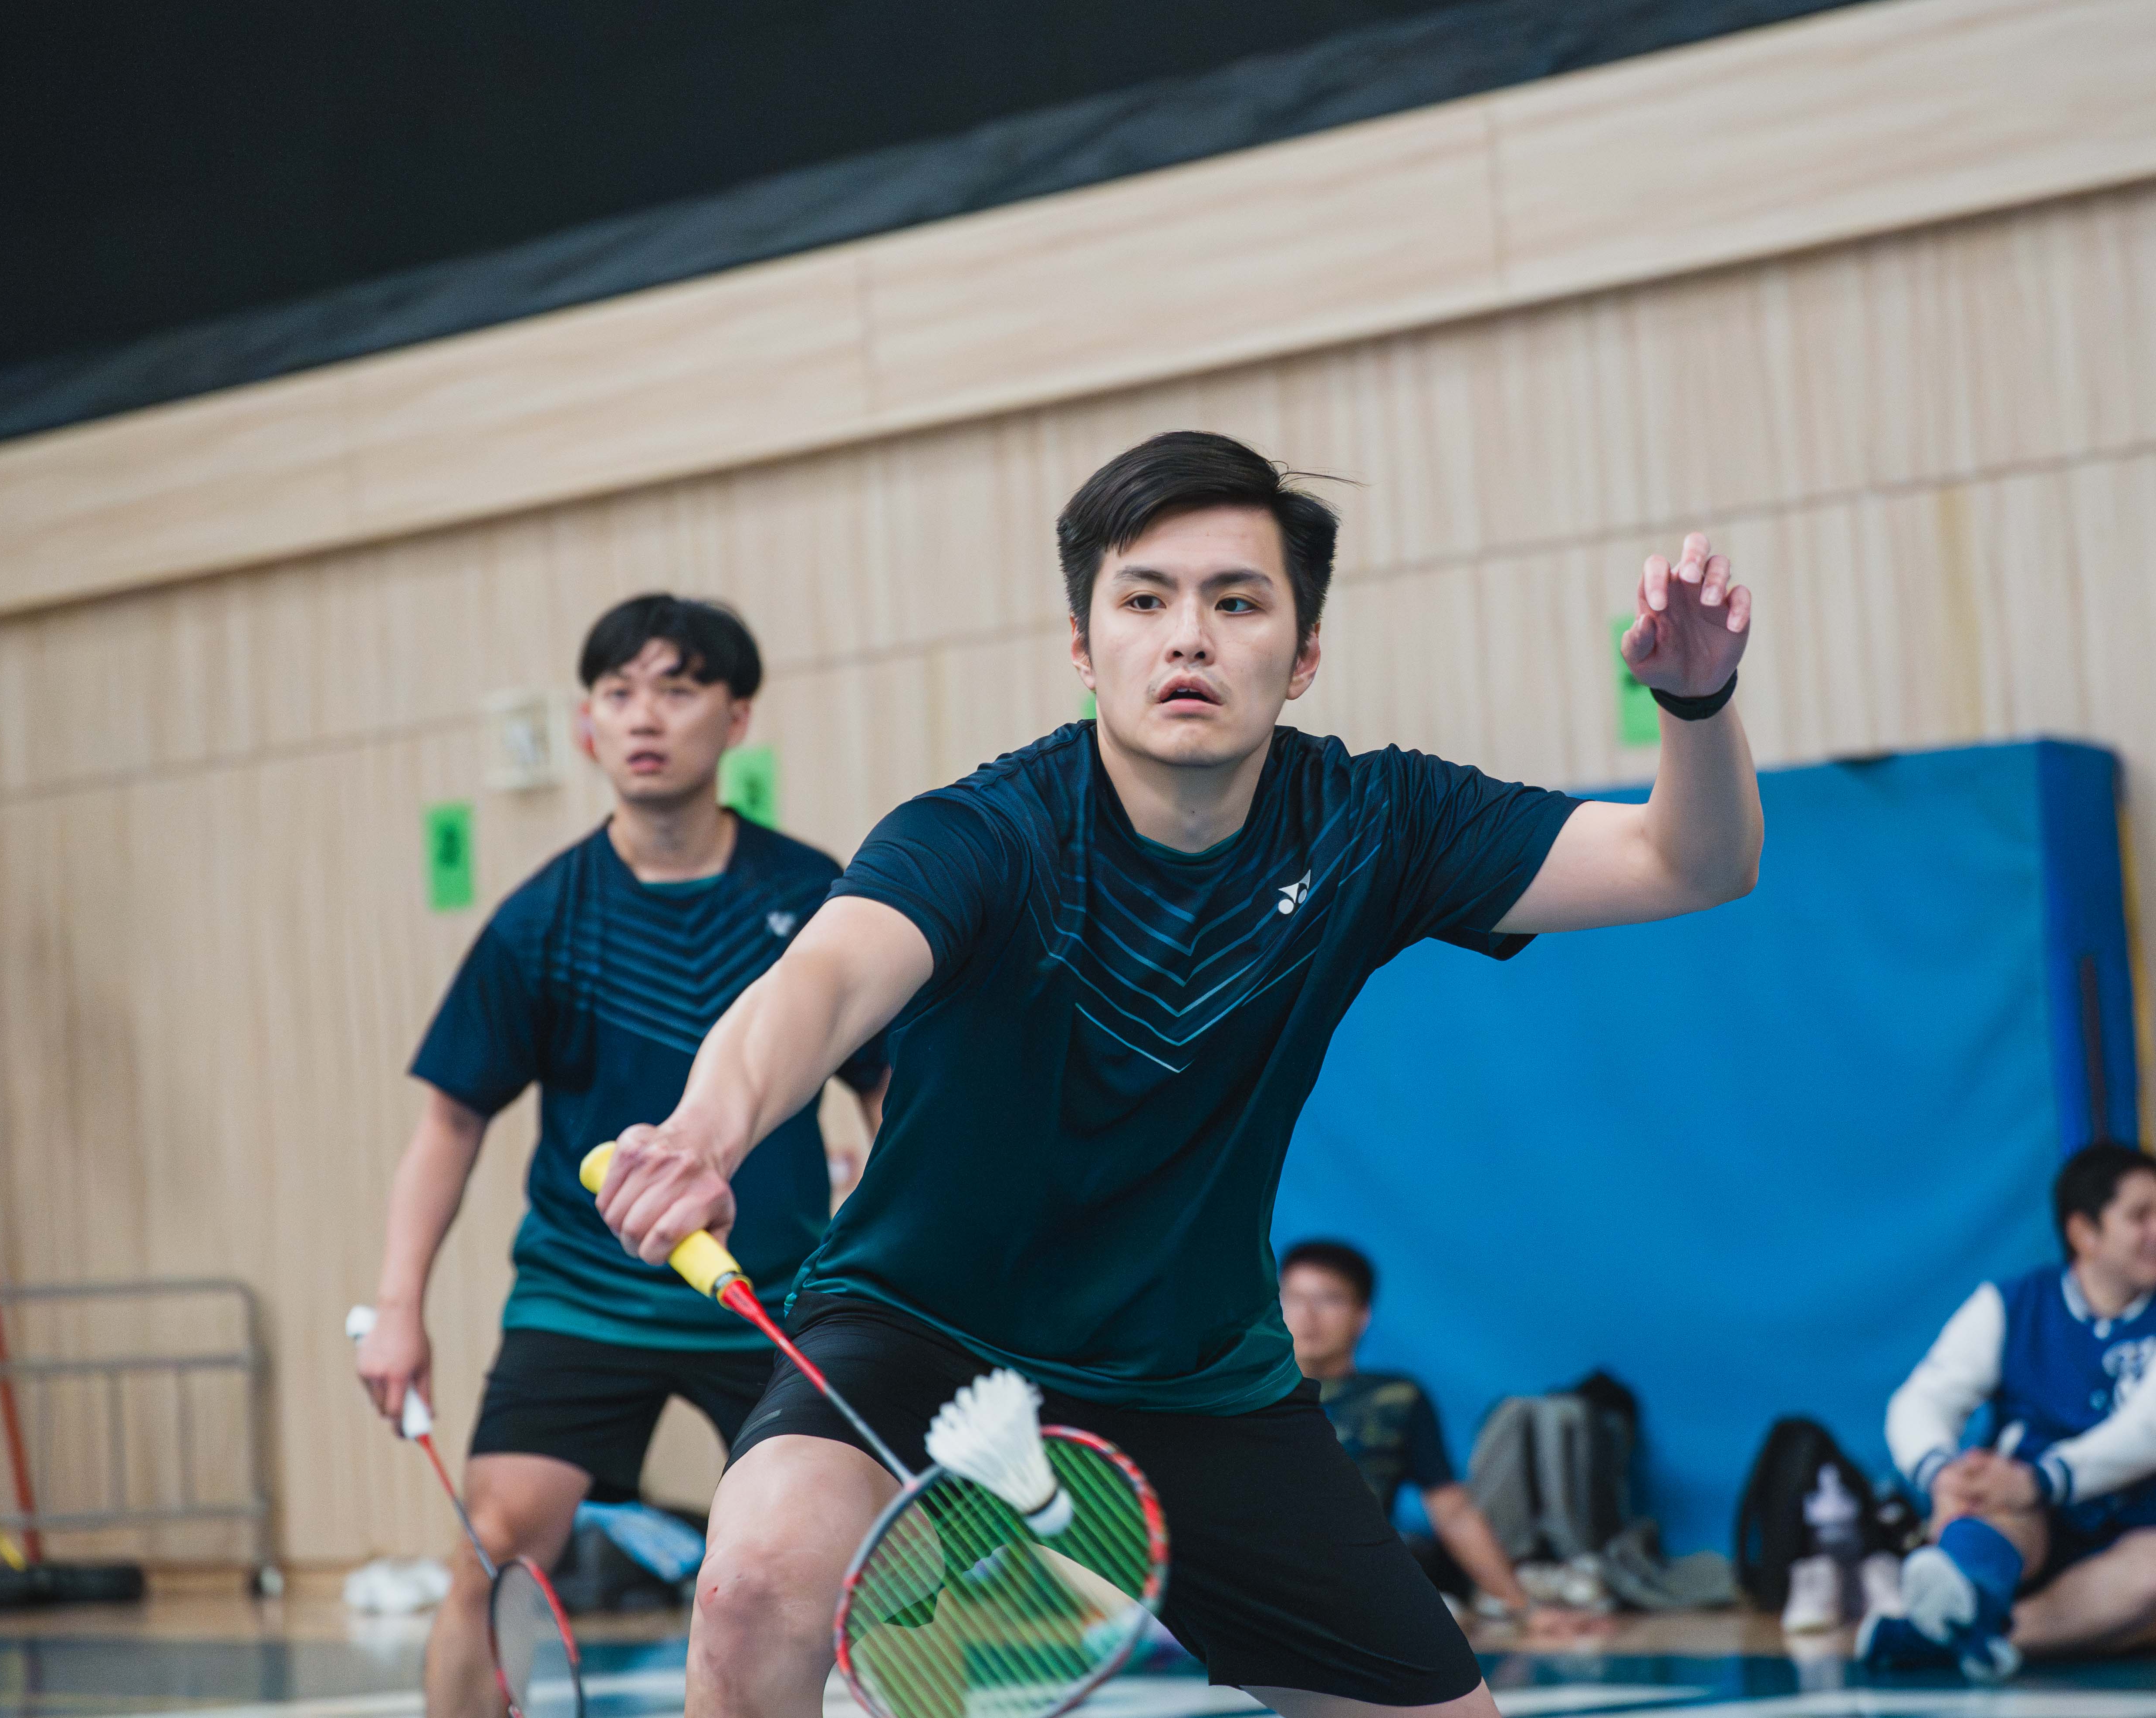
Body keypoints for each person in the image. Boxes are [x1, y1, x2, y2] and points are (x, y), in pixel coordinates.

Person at [595, 430, 1761, 1718]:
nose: (1188, 637)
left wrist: (1696, 704)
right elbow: (817, 984)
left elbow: (1689, 862)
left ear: (1303, 655)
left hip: (1197, 1383)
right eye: (1144, 600)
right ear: (1084, 646)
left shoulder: (1375, 822)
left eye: (1237, 601)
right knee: (753, 1583)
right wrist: (706, 1129)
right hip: (917, 1333)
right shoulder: (987, 835)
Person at [354, 595, 886, 1718]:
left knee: (848, 1567)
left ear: (736, 718)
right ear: (586, 724)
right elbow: (450, 1123)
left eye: (678, 689)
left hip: (772, 1292)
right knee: (495, 1542)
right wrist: (398, 1306)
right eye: (618, 691)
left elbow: (893, 1092)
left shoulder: (810, 897)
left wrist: (902, 1269)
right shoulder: (542, 920)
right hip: (584, 1291)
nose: (644, 716)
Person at [1865, 1142, 2156, 1681]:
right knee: (1977, 1502)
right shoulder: (2010, 1304)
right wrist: (1940, 1472)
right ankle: (1968, 1592)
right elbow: (1921, 1400)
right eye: (2141, 1216)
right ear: (2084, 1232)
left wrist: (2040, 1479)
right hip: (2027, 1525)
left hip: (2141, 1528)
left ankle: (1965, 1633)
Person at [1278, 1239, 1588, 1636]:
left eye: (1329, 1300)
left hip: (1350, 1584)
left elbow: (1452, 1511)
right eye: (1293, 1298)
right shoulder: (1240, 1395)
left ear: (1362, 1315)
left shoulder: (1397, 1399)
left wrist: (1523, 1609)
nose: (1307, 1316)